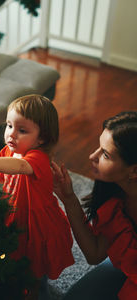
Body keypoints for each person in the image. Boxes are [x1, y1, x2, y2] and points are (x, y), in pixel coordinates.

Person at [0, 94, 74, 299]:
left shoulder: (38, 157)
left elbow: (20, 167)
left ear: (42, 138)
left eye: (22, 130)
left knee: (33, 269)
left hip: (36, 223)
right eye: (9, 125)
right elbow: (0, 175)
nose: (11, 134)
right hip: (15, 214)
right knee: (14, 260)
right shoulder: (9, 151)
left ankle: (38, 293)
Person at [51, 111, 137, 300]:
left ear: (134, 170)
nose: (92, 156)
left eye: (105, 154)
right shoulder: (115, 197)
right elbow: (95, 253)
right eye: (99, 147)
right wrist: (68, 198)